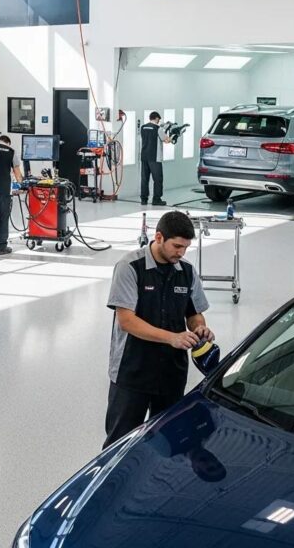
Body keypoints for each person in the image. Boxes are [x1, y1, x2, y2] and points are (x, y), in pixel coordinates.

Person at [103, 210, 213, 448]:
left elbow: (194, 313)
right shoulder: (130, 267)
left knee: (169, 440)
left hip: (171, 374)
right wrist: (171, 338)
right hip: (132, 372)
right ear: (159, 237)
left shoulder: (187, 272)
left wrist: (200, 328)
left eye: (185, 247)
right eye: (176, 246)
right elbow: (126, 321)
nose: (181, 253)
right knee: (119, 443)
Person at [140, 111, 170, 206]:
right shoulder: (158, 129)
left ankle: (143, 199)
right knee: (158, 179)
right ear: (157, 118)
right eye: (159, 120)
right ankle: (156, 199)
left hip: (144, 156)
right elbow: (166, 140)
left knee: (145, 179)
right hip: (155, 157)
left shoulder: (143, 127)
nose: (159, 121)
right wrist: (173, 136)